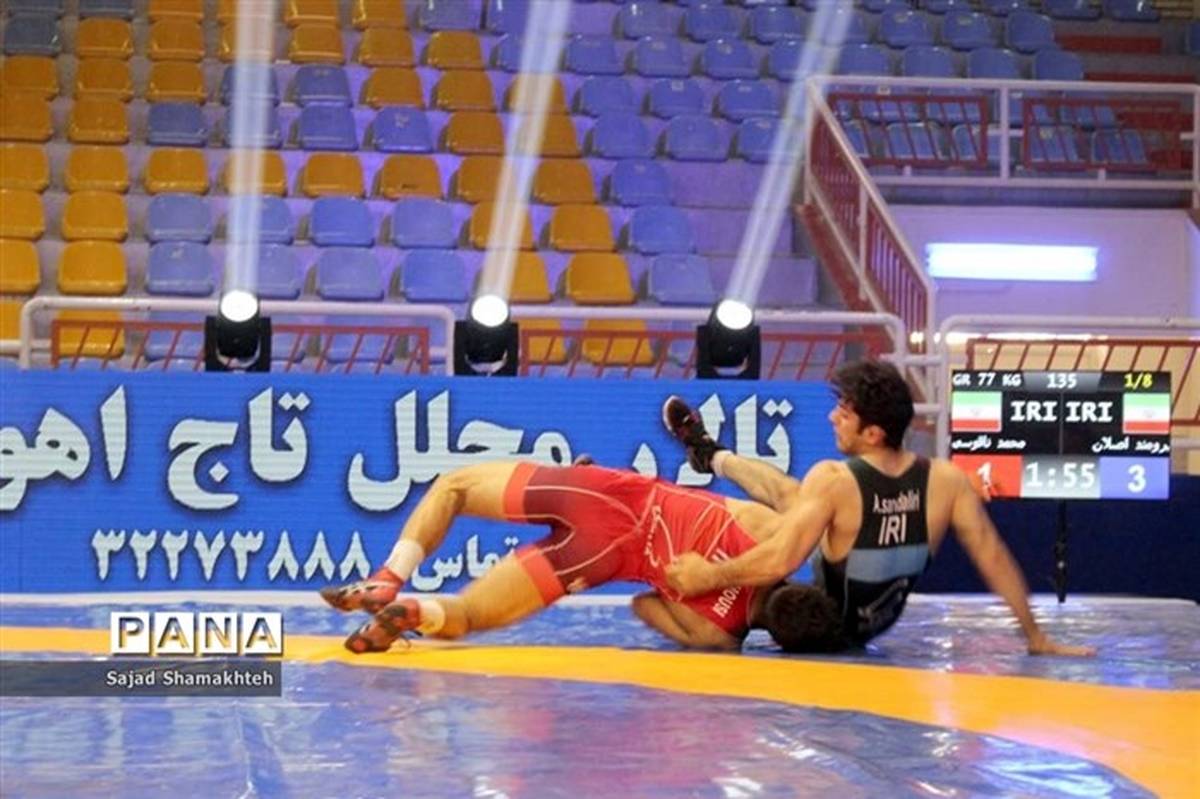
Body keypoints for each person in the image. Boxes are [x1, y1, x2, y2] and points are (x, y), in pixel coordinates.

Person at [661, 359, 1095, 657]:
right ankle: (710, 455)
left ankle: (729, 610)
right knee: (794, 497)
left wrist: (708, 575)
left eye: (844, 414)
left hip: (811, 621)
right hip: (875, 624)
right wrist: (1035, 636)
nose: (832, 418)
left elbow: (780, 560)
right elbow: (993, 557)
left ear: (872, 434)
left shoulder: (834, 480)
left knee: (767, 520)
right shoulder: (947, 481)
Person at [321, 459, 847, 654]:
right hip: (600, 558)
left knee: (454, 487)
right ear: (777, 638)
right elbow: (644, 606)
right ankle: (417, 612)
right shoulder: (718, 635)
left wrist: (719, 457)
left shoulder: (769, 531)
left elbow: (784, 490)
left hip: (604, 492)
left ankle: (389, 578)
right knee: (470, 615)